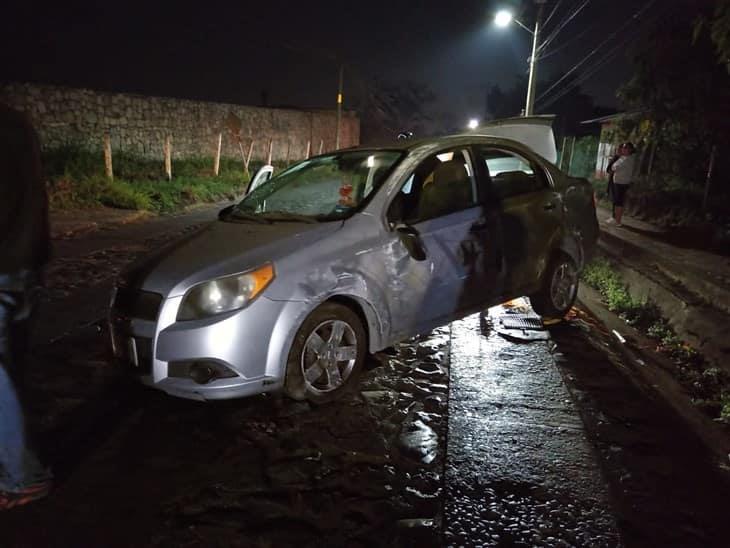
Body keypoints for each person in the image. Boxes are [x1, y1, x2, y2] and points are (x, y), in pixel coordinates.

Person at [0, 103, 53, 510]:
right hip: (25, 264)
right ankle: (15, 462)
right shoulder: (19, 121)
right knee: (12, 373)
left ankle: (23, 476)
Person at [606, 142, 636, 227]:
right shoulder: (623, 157)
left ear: (630, 149)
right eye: (623, 148)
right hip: (617, 182)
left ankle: (618, 221)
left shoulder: (629, 159)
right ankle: (615, 218)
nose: (623, 149)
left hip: (622, 183)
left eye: (625, 148)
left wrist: (614, 167)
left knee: (619, 202)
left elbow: (615, 167)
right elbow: (613, 166)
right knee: (616, 202)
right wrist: (614, 166)